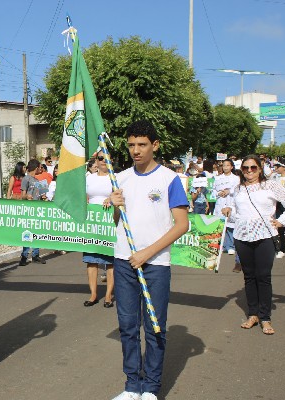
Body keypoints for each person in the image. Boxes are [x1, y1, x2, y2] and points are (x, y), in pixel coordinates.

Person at [109, 120, 189, 400]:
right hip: (124, 260)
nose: (136, 150)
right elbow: (118, 221)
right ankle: (132, 386)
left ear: (155, 145)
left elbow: (182, 225)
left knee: (155, 327)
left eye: (142, 144)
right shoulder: (120, 178)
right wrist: (115, 206)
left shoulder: (169, 179)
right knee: (128, 327)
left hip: (155, 265)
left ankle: (151, 388)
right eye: (131, 144)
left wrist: (147, 252)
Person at [222, 155, 285, 336]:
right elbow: (238, 212)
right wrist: (229, 211)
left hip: (265, 236)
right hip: (242, 236)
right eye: (245, 168)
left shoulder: (271, 185)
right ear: (241, 170)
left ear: (260, 169)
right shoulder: (238, 189)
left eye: (253, 167)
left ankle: (265, 317)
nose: (249, 171)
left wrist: (282, 221)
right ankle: (253, 314)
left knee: (263, 276)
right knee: (249, 276)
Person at [83, 151, 115, 308]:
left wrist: (111, 199)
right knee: (91, 260)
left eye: (106, 157)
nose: (103, 160)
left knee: (110, 261)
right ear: (96, 160)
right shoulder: (89, 178)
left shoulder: (116, 178)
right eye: (100, 158)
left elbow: (122, 196)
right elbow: (82, 196)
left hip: (109, 224)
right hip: (92, 224)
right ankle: (93, 294)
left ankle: (108, 295)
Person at [19, 159, 47, 265]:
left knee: (37, 232)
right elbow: (22, 195)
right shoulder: (26, 179)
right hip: (29, 210)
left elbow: (43, 196)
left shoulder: (38, 181)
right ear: (36, 168)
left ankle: (35, 255)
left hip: (37, 210)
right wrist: (27, 196)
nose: (41, 169)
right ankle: (24, 256)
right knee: (28, 232)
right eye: (40, 167)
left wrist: (44, 197)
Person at [213, 159, 240, 256]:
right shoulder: (218, 178)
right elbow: (213, 190)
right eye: (224, 165)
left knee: (230, 226)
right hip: (220, 202)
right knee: (220, 225)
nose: (225, 167)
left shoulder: (236, 178)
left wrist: (229, 191)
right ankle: (222, 245)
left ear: (232, 167)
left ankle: (231, 246)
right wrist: (218, 193)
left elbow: (238, 189)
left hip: (230, 202)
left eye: (228, 165)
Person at [273, 157, 285, 258]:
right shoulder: (275, 178)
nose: (276, 168)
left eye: (278, 166)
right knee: (279, 228)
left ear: (284, 167)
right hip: (278, 205)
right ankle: (281, 249)